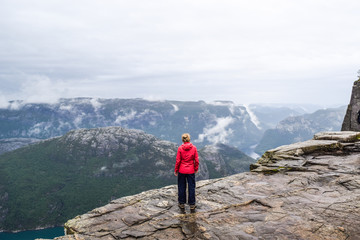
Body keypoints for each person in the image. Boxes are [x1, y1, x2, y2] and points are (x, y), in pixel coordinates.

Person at [174, 133, 199, 211]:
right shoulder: (194, 148)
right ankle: (192, 204)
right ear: (189, 139)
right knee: (191, 187)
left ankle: (181, 203)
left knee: (181, 186)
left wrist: (176, 170)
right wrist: (195, 168)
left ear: (182, 139)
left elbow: (178, 161)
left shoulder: (180, 148)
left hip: (182, 170)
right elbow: (197, 160)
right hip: (191, 170)